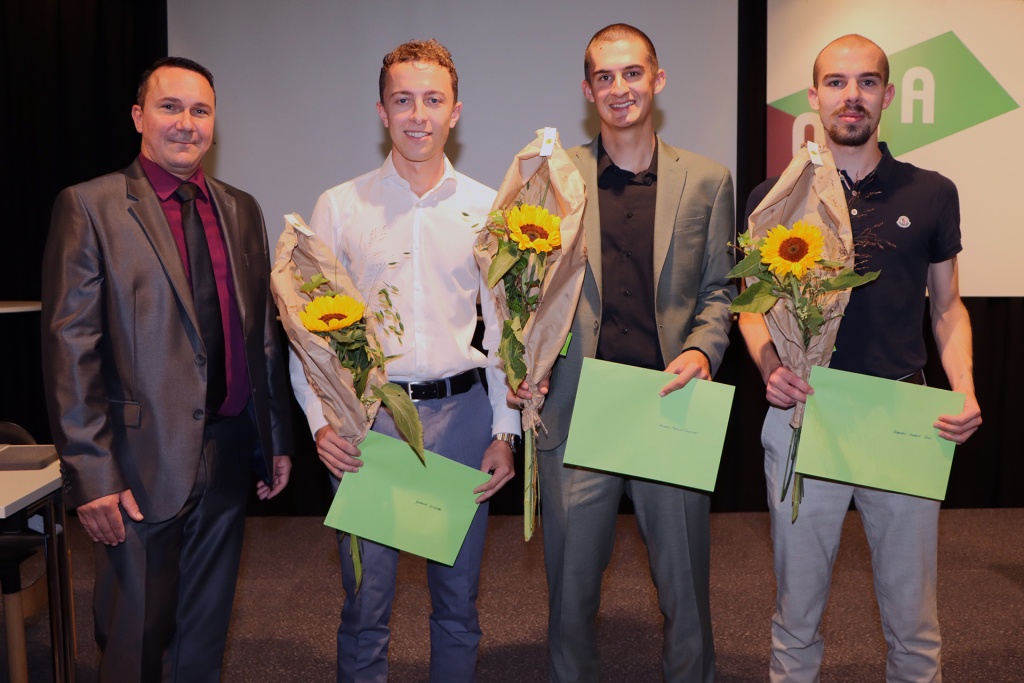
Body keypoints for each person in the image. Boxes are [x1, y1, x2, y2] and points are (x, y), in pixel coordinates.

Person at [739, 34, 982, 682]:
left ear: (888, 95)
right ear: (813, 96)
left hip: (899, 414)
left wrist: (963, 386)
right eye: (837, 82)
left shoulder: (931, 192)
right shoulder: (774, 196)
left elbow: (947, 308)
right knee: (796, 618)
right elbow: (751, 306)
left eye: (867, 82)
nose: (852, 96)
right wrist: (769, 367)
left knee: (914, 624)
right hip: (804, 414)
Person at [41, 57, 292, 682]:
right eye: (170, 107)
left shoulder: (241, 209)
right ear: (138, 116)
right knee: (135, 641)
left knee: (203, 638)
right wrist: (92, 475)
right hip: (136, 464)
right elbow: (71, 349)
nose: (186, 123)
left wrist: (274, 439)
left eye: (200, 111)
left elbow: (261, 334)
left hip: (228, 453)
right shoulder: (90, 207)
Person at [288, 39, 519, 683]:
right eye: (403, 100)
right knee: (365, 605)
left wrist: (505, 432)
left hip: (464, 419)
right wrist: (320, 425)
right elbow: (307, 328)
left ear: (455, 111)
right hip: (369, 424)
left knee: (458, 604)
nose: (419, 115)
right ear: (382, 112)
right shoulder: (340, 206)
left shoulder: (487, 208)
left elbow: (505, 330)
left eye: (433, 100)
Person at [519, 23, 734, 683]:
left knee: (685, 594)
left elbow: (720, 290)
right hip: (579, 406)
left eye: (632, 73)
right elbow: (524, 290)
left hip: (670, 403)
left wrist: (703, 350)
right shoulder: (553, 179)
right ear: (588, 91)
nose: (620, 88)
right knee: (571, 597)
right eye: (604, 77)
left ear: (657, 80)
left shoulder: (708, 180)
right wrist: (524, 363)